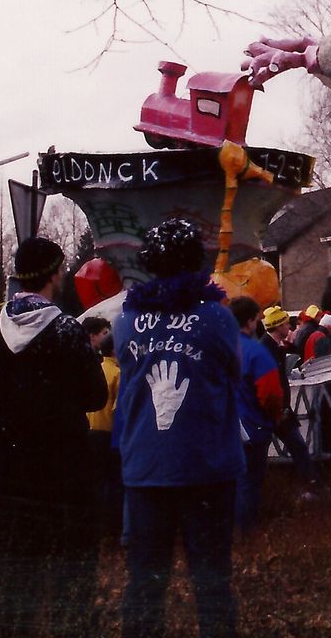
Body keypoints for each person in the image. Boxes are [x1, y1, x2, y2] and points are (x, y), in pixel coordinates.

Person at [115, 219, 243, 638]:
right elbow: (234, 371)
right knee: (212, 580)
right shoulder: (217, 318)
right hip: (207, 466)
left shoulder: (126, 320)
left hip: (146, 466)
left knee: (145, 581)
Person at [0, 237, 107, 638]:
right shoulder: (66, 330)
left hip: (11, 459)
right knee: (72, 556)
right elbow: (95, 395)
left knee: (14, 556)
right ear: (53, 274)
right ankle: (72, 627)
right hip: (64, 460)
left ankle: (9, 627)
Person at [230, 296, 283, 535]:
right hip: (253, 427)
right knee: (249, 482)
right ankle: (246, 534)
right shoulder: (256, 352)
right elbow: (270, 394)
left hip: (223, 427)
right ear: (251, 321)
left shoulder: (217, 350)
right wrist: (275, 417)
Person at [261, 306, 316, 484]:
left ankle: (306, 482)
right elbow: (269, 382)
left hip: (277, 409)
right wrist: (279, 407)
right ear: (278, 326)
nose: (289, 327)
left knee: (295, 446)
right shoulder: (267, 349)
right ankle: (308, 483)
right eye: (285, 324)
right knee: (296, 446)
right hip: (273, 410)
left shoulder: (274, 347)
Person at [83, 315, 123, 542]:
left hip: (90, 431)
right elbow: (120, 408)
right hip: (109, 433)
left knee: (96, 481)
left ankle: (95, 525)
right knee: (112, 482)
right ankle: (111, 528)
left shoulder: (97, 368)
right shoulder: (118, 374)